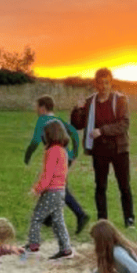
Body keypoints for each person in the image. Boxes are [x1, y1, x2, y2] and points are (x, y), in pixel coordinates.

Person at [70, 67, 134, 227]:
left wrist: (102, 130)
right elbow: (77, 125)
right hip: (99, 150)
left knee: (124, 186)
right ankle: (102, 220)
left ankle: (129, 220)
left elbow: (124, 124)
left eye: (107, 83)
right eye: (100, 83)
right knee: (100, 186)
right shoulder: (90, 102)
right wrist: (77, 110)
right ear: (96, 84)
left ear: (111, 83)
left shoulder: (120, 100)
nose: (104, 86)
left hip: (119, 149)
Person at [24, 94, 90, 235]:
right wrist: (74, 153)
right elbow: (73, 133)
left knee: (57, 187)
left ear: (42, 108)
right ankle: (48, 218)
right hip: (65, 156)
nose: (35, 109)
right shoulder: (58, 120)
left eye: (37, 106)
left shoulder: (43, 121)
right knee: (56, 187)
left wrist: (27, 156)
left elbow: (35, 141)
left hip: (59, 157)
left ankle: (80, 215)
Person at [25, 119, 74, 260]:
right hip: (60, 191)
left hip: (51, 191)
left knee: (36, 217)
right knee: (58, 220)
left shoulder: (52, 151)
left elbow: (48, 174)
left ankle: (33, 245)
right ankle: (66, 249)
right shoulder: (62, 150)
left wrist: (37, 189)